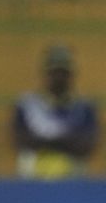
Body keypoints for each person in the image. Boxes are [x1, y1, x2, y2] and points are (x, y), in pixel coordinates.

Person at [12, 45, 99, 179]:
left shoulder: (84, 108)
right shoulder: (26, 105)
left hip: (73, 179)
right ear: (45, 73)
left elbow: (87, 145)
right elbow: (20, 141)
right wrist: (65, 142)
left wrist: (44, 141)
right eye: (54, 72)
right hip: (32, 179)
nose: (59, 77)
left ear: (71, 74)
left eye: (63, 73)